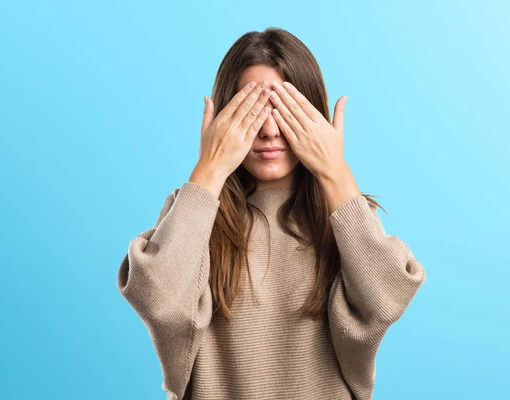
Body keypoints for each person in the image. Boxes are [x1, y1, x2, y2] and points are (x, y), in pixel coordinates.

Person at [116, 27, 426, 400]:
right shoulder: (193, 213)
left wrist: (334, 172)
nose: (268, 130)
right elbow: (159, 302)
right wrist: (209, 169)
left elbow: (387, 298)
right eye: (252, 111)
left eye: (285, 110)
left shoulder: (346, 219)